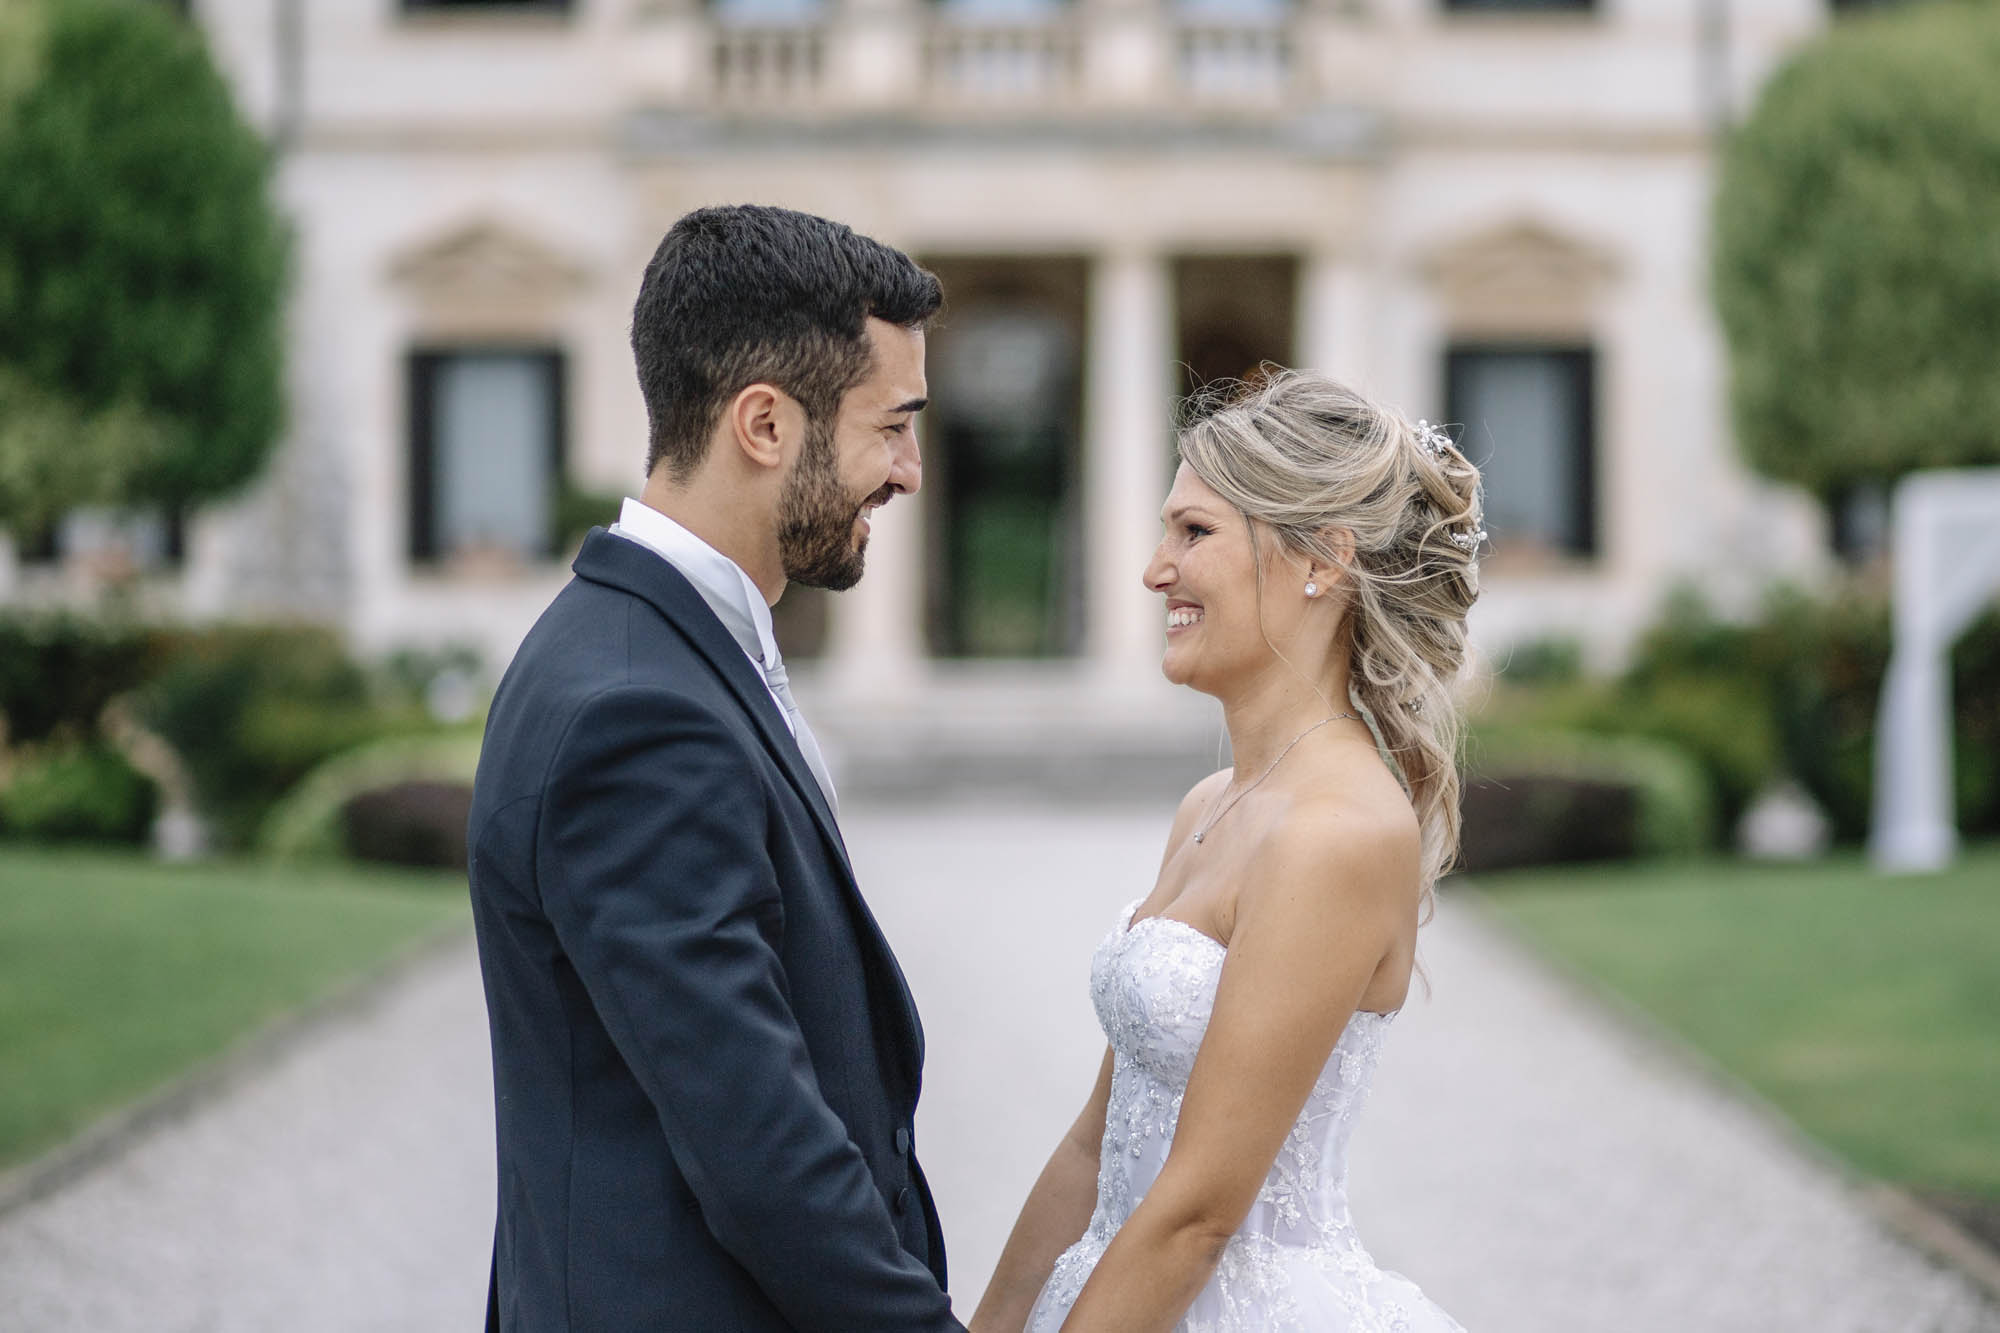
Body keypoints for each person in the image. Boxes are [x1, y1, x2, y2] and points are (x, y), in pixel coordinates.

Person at [467, 204, 968, 1332]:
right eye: (891, 426)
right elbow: (758, 1146)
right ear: (763, 424)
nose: (910, 472)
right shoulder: (638, 711)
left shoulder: (636, 646)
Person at [972, 370, 1483, 1333]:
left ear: (1321, 560)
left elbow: (1201, 1214)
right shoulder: (1211, 804)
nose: (1154, 568)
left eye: (1194, 532)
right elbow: (1095, 1144)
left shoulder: (1338, 832)